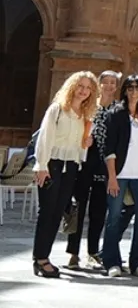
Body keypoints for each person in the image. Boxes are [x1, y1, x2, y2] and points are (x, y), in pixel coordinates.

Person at [32, 71, 99, 279]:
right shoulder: (57, 110)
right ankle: (40, 258)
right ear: (72, 86)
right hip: (51, 164)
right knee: (47, 212)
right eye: (80, 86)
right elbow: (45, 138)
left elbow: (80, 149)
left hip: (71, 167)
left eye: (88, 88)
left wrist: (85, 144)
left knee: (58, 212)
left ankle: (45, 256)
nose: (84, 91)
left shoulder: (85, 116)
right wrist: (41, 165)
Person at [101, 75, 138, 278]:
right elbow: (109, 147)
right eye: (130, 87)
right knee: (114, 218)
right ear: (125, 90)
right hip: (120, 173)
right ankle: (111, 262)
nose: (134, 91)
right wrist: (112, 176)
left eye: (137, 87)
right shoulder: (116, 113)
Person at [65, 70, 118, 271]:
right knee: (78, 207)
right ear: (99, 84)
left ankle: (93, 252)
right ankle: (73, 252)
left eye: (113, 83)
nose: (110, 86)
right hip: (84, 161)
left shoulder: (118, 110)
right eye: (106, 82)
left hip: (105, 164)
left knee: (98, 210)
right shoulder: (89, 106)